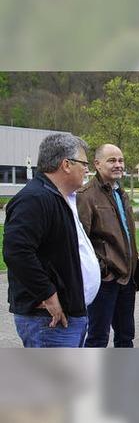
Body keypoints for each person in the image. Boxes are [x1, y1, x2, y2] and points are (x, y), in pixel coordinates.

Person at [3, 133, 100, 347]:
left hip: (69, 314)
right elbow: (17, 253)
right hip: (49, 320)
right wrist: (49, 296)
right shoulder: (35, 199)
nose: (87, 169)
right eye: (83, 163)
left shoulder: (62, 197)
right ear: (66, 164)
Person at [76, 144, 139, 348]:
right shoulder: (86, 196)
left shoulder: (120, 192)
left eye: (120, 160)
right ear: (97, 164)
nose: (118, 165)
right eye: (112, 161)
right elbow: (81, 240)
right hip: (106, 280)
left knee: (126, 335)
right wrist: (103, 269)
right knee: (97, 337)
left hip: (127, 278)